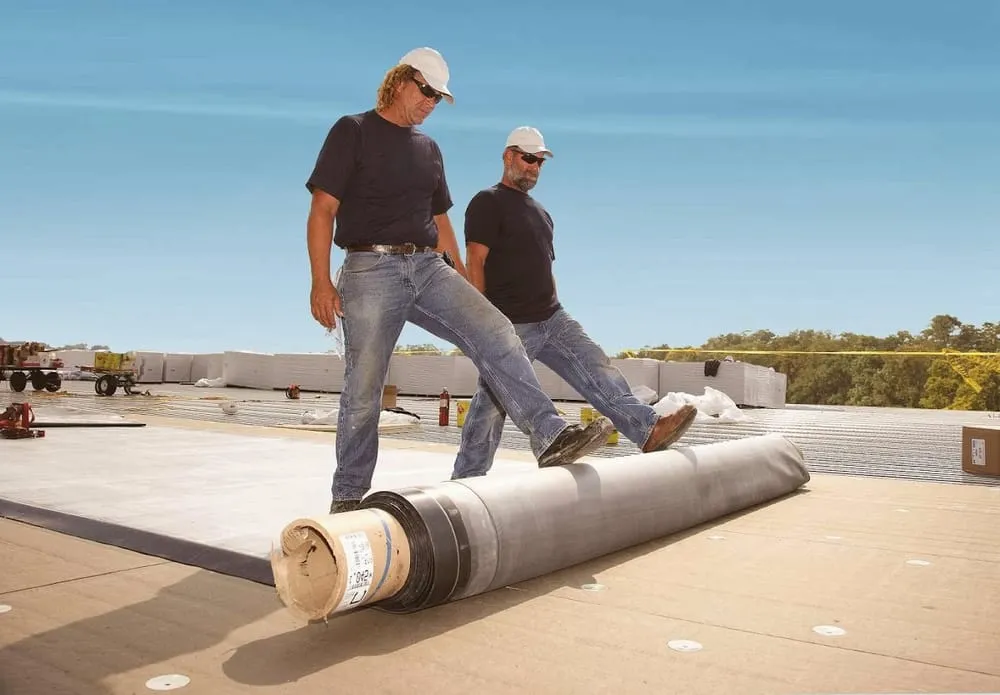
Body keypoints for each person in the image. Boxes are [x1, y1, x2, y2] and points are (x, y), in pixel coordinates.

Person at [305, 49, 614, 513]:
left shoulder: (429, 149)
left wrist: (465, 284)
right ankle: (348, 496)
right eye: (426, 91)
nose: (431, 102)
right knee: (364, 387)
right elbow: (323, 209)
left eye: (438, 97)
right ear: (401, 82)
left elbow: (441, 222)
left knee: (496, 331)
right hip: (370, 269)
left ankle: (548, 434)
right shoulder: (353, 130)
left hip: (429, 267)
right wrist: (320, 282)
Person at [451, 126, 698, 480]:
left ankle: (647, 430)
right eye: (528, 158)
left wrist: (554, 302)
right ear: (508, 157)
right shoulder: (487, 202)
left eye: (540, 161)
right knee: (492, 402)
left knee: (598, 369)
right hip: (510, 321)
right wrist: (484, 322)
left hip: (553, 317)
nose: (534, 166)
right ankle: (467, 478)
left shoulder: (541, 213)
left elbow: (544, 265)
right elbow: (476, 260)